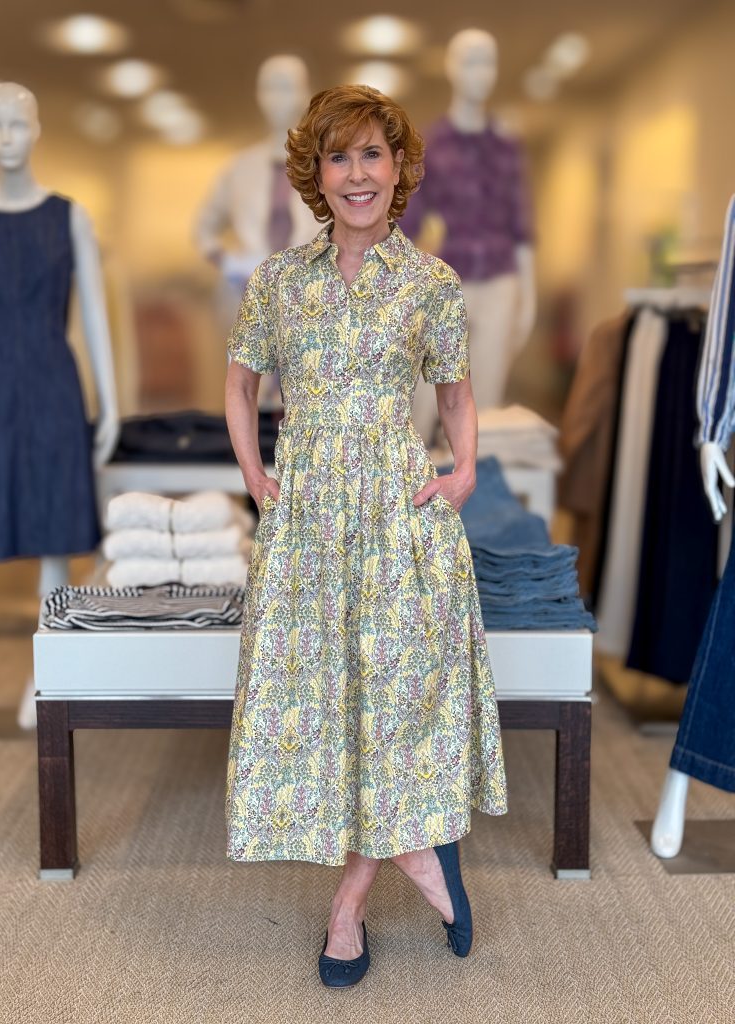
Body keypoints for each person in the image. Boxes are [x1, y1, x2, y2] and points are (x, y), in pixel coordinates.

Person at [224, 84, 507, 988]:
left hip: (395, 515)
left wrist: (462, 471)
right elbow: (239, 385)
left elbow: (457, 398)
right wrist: (256, 477)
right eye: (339, 157)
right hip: (308, 519)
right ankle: (421, 852)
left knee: (391, 703)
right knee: (325, 703)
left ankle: (350, 905)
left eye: (373, 156)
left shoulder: (431, 284)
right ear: (316, 171)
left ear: (398, 170)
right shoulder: (279, 281)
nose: (357, 175)